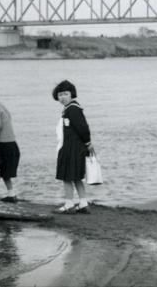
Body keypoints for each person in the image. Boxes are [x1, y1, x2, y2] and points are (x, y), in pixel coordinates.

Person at [52, 80, 94, 214]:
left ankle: (69, 204)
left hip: (72, 148)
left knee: (67, 177)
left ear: (72, 94)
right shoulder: (71, 108)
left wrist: (88, 142)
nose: (62, 97)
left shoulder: (73, 109)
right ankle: (83, 203)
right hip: (74, 147)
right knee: (76, 177)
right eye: (60, 95)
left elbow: (83, 128)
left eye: (65, 94)